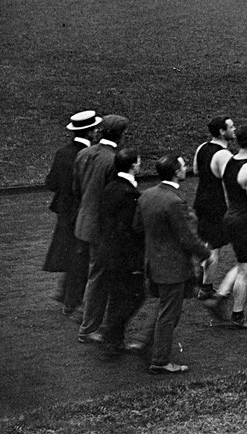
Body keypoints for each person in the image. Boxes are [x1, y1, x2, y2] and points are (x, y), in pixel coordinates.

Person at [134, 154, 212, 374]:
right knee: (170, 313)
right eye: (183, 166)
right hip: (173, 268)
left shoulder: (147, 195)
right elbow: (187, 237)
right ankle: (159, 360)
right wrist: (205, 253)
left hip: (155, 263)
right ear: (176, 172)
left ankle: (145, 344)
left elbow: (138, 226)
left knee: (165, 308)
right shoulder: (174, 201)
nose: (186, 168)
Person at [205, 125, 247, 329]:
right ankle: (238, 315)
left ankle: (220, 296)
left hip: (230, 217)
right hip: (245, 222)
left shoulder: (229, 163)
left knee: (242, 263)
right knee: (245, 269)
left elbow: (228, 194)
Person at [73, 114, 129, 343]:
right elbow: (112, 200)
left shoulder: (84, 153)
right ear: (121, 135)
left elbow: (77, 190)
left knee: (96, 272)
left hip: (83, 222)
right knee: (101, 275)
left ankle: (88, 318)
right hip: (102, 228)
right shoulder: (114, 160)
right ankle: (89, 327)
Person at [43, 109, 101, 315]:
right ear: (90, 132)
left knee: (72, 251)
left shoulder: (62, 153)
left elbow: (51, 183)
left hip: (64, 210)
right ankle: (72, 302)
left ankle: (64, 293)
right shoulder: (90, 155)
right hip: (81, 211)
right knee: (81, 257)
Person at [96, 148, 147, 355]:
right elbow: (129, 230)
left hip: (108, 251)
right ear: (134, 165)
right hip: (125, 255)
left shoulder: (111, 187)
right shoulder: (129, 193)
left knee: (117, 295)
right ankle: (112, 334)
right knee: (135, 295)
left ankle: (113, 337)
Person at [192, 115, 234, 301]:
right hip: (216, 204)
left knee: (206, 242)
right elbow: (229, 184)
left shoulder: (202, 148)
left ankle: (201, 275)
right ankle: (207, 287)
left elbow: (195, 170)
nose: (234, 130)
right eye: (231, 127)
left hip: (200, 200)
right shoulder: (224, 155)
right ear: (222, 132)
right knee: (214, 247)